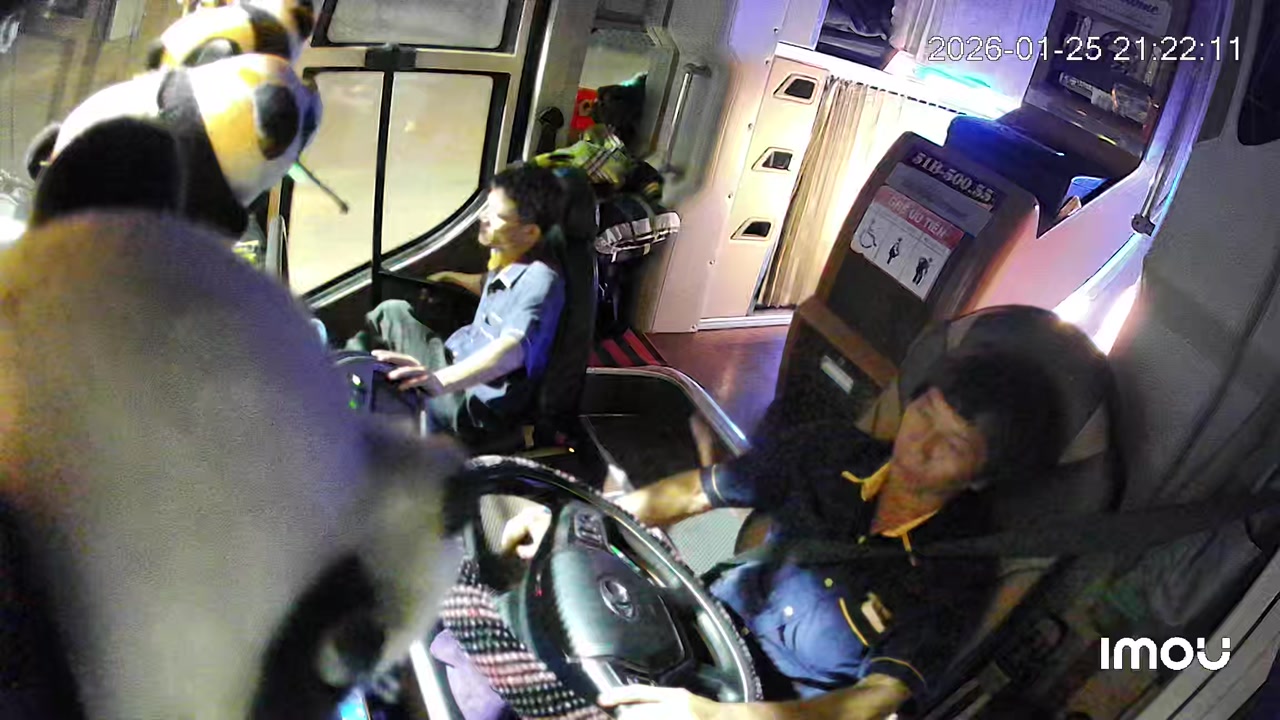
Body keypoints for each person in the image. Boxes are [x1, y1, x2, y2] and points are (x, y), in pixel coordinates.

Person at [501, 352, 1065, 720]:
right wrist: (583, 519)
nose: (920, 444)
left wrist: (717, 716)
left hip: (772, 709)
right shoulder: (829, 451)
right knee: (520, 637)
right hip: (695, 628)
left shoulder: (957, 570)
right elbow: (696, 492)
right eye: (924, 413)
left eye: (953, 445)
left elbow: (876, 698)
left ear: (982, 476)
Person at [346, 164, 567, 439]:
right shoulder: (511, 256)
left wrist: (439, 381)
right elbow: (488, 284)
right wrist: (449, 277)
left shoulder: (540, 281)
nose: (483, 217)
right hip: (457, 362)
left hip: (472, 405)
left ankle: (333, 385)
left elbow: (512, 350)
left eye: (497, 215)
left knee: (390, 315)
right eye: (486, 207)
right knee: (398, 323)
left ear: (530, 232)